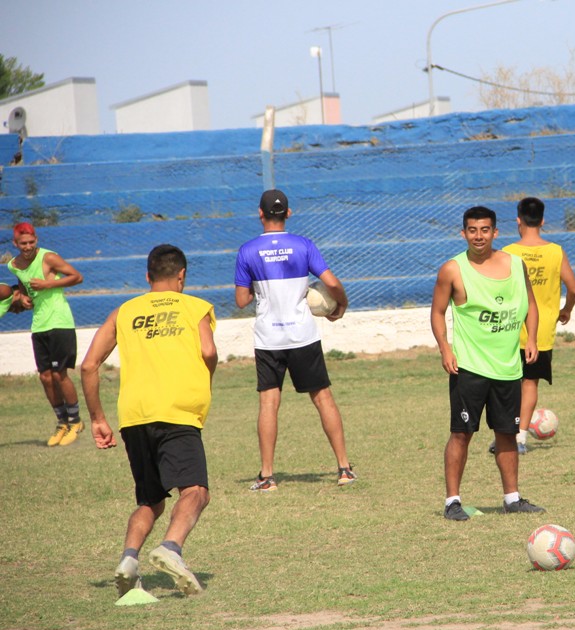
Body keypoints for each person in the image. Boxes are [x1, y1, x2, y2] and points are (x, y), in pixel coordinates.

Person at [80, 244, 217, 597]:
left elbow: (89, 365)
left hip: (134, 417)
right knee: (196, 491)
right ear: (181, 276)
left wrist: (97, 418)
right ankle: (171, 548)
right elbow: (208, 351)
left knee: (151, 501)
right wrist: (205, 380)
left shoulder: (124, 311)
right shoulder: (195, 307)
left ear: (148, 276)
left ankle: (129, 560)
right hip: (176, 411)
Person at [234, 189, 356, 492]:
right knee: (323, 397)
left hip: (269, 338)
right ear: (288, 213)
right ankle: (344, 469)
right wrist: (341, 305)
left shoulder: (247, 251)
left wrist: (258, 288)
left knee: (269, 402)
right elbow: (331, 283)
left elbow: (241, 300)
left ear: (260, 214)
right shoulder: (303, 245)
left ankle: (267, 476)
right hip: (302, 335)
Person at [430, 205, 545, 521]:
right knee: (461, 434)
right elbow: (437, 312)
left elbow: (531, 304)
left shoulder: (516, 264)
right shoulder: (452, 270)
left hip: (508, 368)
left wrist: (531, 339)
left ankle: (512, 499)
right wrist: (445, 348)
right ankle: (452, 502)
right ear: (463, 233)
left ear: (495, 232)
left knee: (507, 434)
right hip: (469, 368)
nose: (478, 236)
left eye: (484, 230)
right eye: (472, 230)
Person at [500, 196, 575, 454]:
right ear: (543, 221)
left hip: (511, 328)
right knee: (530, 383)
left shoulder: (508, 252)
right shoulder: (555, 251)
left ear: (518, 220)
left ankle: (505, 435)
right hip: (542, 330)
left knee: (507, 384)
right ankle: (519, 438)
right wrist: (566, 310)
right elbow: (574, 289)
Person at [8, 222, 85, 446]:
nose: (28, 246)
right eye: (23, 243)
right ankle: (62, 422)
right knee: (45, 377)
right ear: (15, 243)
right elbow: (23, 285)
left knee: (60, 374)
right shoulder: (14, 265)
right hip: (39, 324)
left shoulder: (48, 257)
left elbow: (77, 277)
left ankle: (75, 421)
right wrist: (24, 297)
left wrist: (47, 284)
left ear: (36, 240)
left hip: (59, 322)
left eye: (31, 242)